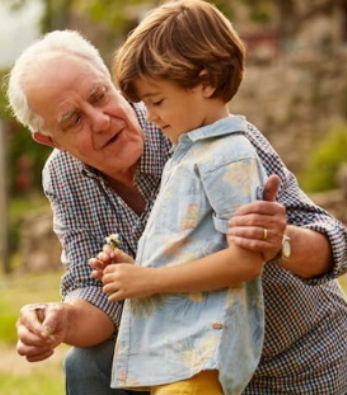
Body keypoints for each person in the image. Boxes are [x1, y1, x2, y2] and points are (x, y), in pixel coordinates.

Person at [6, 27, 347, 395]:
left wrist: (279, 241)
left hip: (291, 366)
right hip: (186, 364)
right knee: (87, 365)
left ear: (113, 83)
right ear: (50, 140)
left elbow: (337, 246)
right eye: (73, 120)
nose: (100, 121)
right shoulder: (64, 176)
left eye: (99, 96)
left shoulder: (202, 129)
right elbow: (96, 291)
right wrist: (62, 321)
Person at [96, 1, 268, 393]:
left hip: (199, 360)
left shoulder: (229, 155)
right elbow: (195, 246)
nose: (151, 116)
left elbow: (246, 261)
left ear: (205, 83)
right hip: (177, 357)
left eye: (157, 101)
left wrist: (150, 279)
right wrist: (135, 268)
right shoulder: (190, 152)